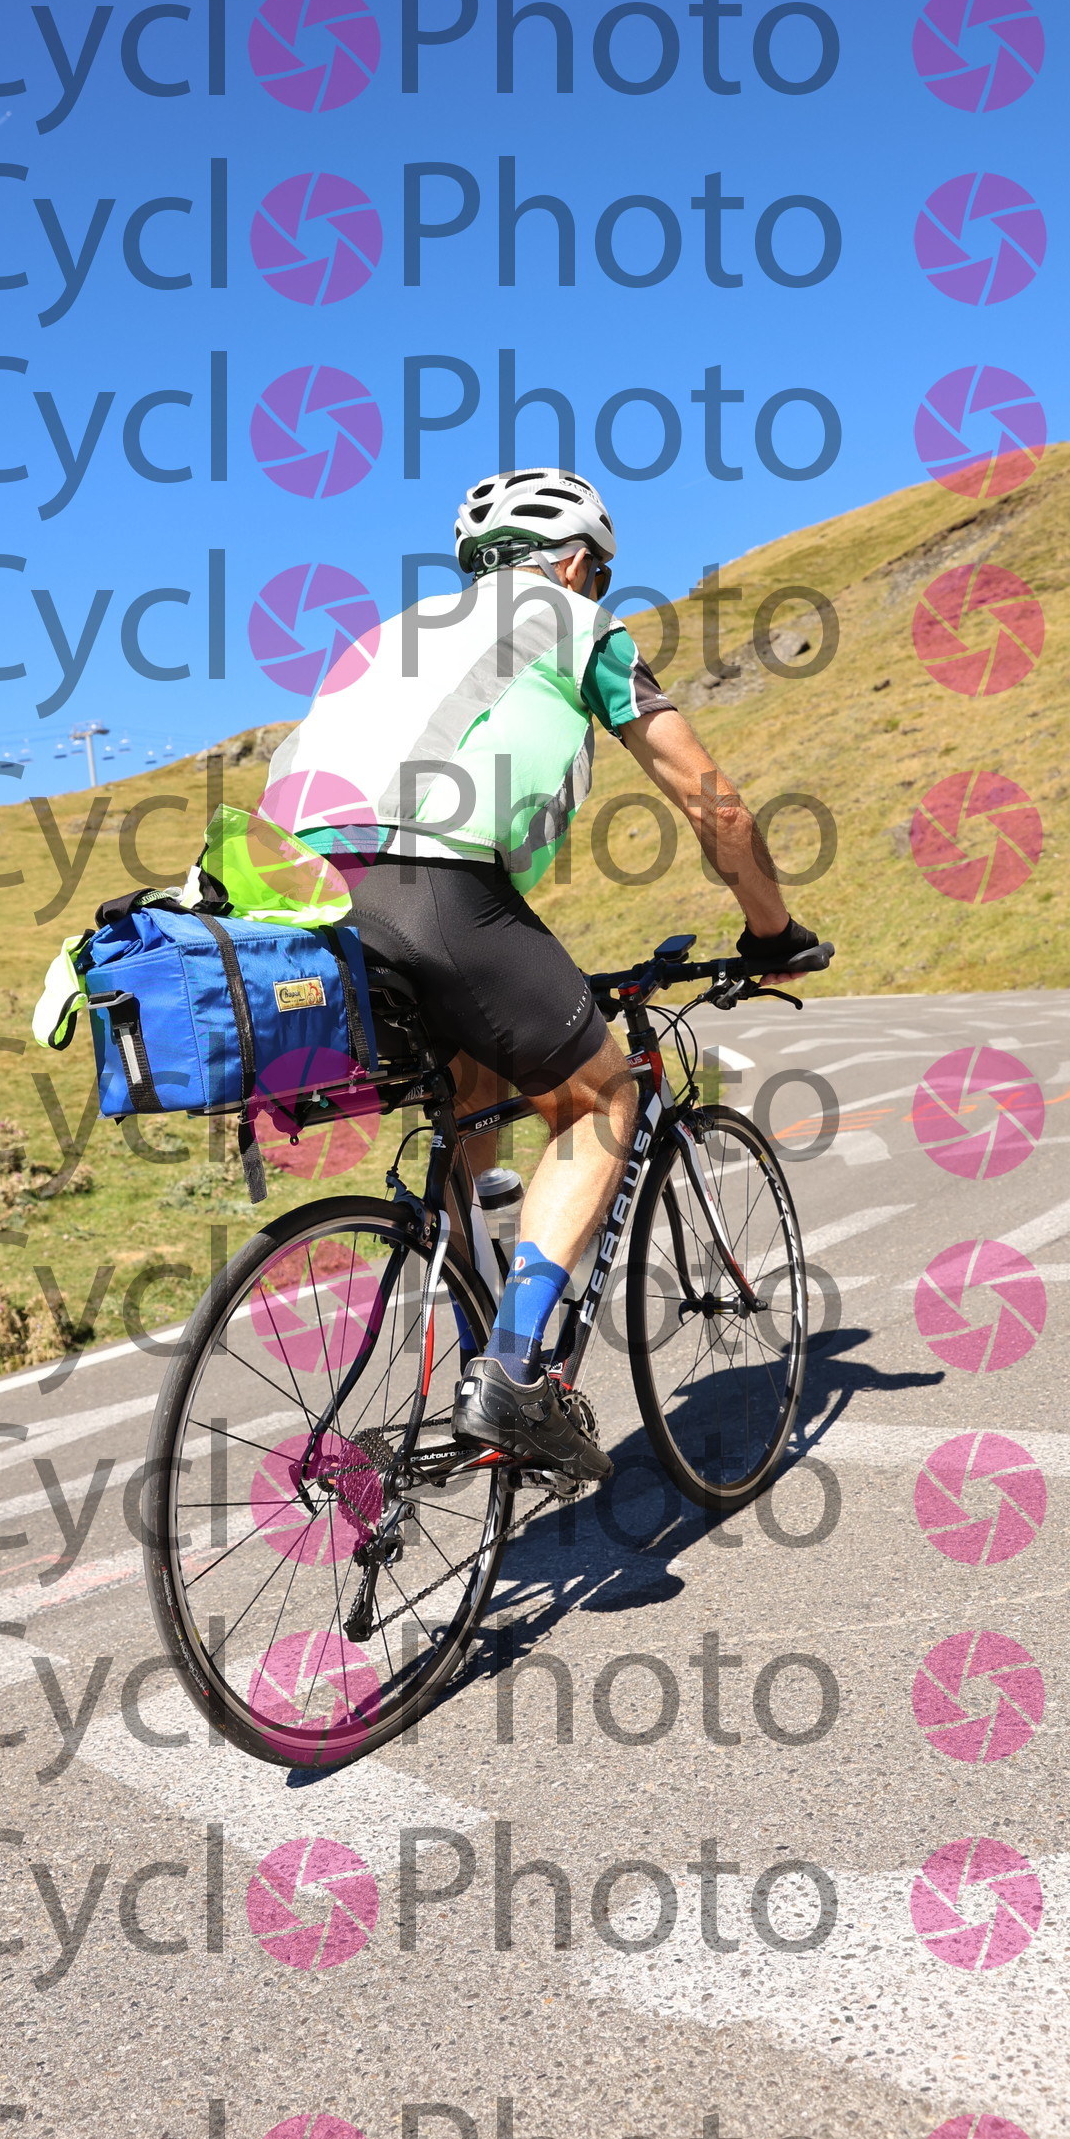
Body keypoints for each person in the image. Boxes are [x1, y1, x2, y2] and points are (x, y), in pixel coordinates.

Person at [262, 468, 824, 1482]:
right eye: (599, 572)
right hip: (430, 885)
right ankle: (514, 1372)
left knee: (472, 1100)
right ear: (571, 564)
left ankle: (478, 1371)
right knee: (602, 1098)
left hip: (292, 899)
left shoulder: (388, 637)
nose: (598, 587)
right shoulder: (578, 625)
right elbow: (716, 807)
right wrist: (772, 931)